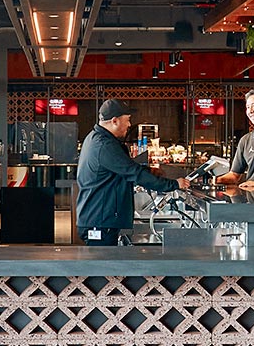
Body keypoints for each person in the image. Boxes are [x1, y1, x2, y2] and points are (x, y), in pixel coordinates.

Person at [76, 98, 190, 245]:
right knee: (102, 260)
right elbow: (134, 173)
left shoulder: (97, 139)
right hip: (99, 222)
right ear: (115, 121)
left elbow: (122, 168)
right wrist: (174, 184)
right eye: (128, 120)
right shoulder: (104, 145)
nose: (129, 125)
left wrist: (149, 171)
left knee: (107, 259)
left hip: (100, 219)